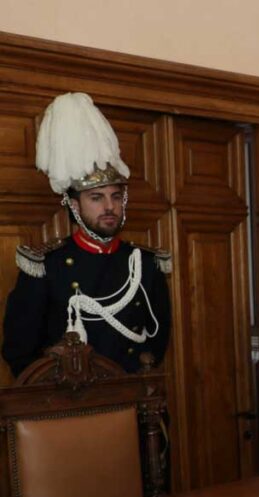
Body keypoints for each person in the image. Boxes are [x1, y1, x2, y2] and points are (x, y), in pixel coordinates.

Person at [2, 92, 171, 377]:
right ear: (74, 204)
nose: (109, 207)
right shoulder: (46, 265)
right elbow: (19, 350)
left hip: (132, 401)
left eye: (115, 197)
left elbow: (158, 340)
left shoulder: (143, 262)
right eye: (96, 197)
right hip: (67, 406)